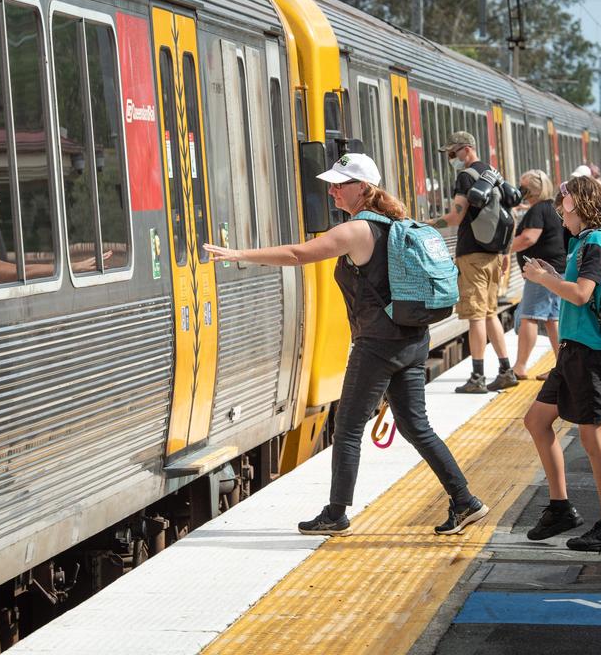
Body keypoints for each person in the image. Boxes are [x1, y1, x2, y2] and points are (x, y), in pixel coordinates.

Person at [204, 153, 489, 537]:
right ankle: (465, 500)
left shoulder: (358, 229)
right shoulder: (396, 222)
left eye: (341, 184)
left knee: (349, 428)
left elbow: (298, 254)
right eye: (332, 184)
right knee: (416, 426)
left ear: (363, 188)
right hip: (412, 340)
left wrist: (240, 255)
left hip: (378, 345)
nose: (333, 190)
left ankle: (336, 513)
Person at [518, 175, 601, 552]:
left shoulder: (595, 242)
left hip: (589, 352)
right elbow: (578, 289)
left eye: (561, 203)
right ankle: (560, 507)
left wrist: (541, 279)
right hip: (572, 350)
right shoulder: (581, 242)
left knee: (593, 437)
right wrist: (551, 275)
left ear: (574, 204)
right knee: (536, 420)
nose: (557, 211)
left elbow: (582, 295)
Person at [427, 131, 516, 394]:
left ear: (466, 149)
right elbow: (507, 214)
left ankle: (477, 377)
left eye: (453, 153)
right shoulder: (492, 173)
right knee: (489, 313)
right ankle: (505, 370)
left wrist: (427, 224)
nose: (451, 158)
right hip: (493, 253)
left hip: (472, 254)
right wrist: (505, 252)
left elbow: (455, 217)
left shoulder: (466, 177)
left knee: (476, 315)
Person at [510, 169, 563, 381]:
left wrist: (501, 249)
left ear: (531, 190)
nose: (519, 191)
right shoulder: (550, 208)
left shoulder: (538, 210)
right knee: (552, 320)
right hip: (555, 268)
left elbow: (528, 239)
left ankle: (520, 366)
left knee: (529, 317)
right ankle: (562, 366)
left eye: (522, 187)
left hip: (541, 270)